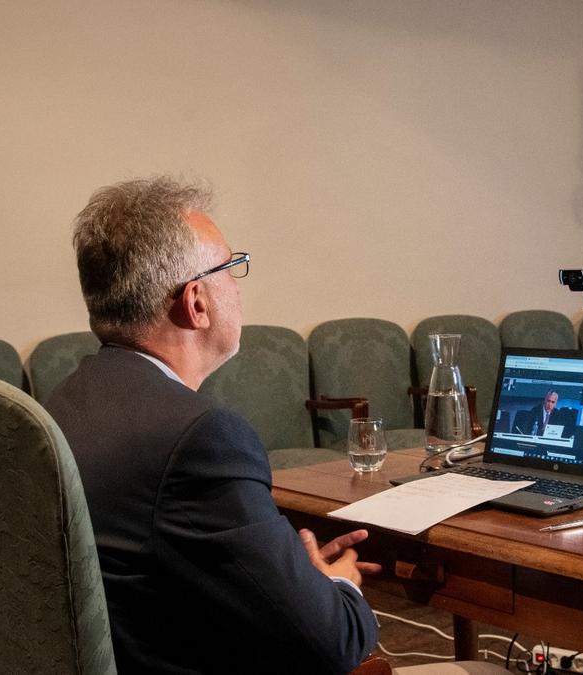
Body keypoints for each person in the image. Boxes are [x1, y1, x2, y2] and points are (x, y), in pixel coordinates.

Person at [46, 177, 378, 674]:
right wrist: (338, 584)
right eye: (232, 268)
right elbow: (331, 643)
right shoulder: (200, 438)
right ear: (196, 301)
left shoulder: (69, 399)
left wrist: (289, 576)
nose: (239, 286)